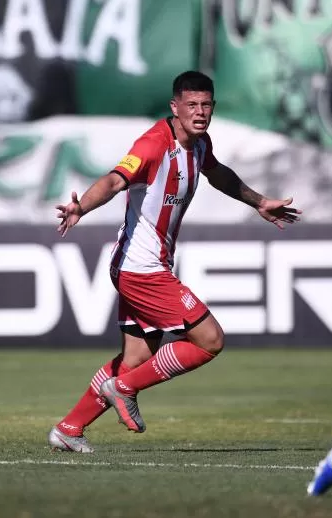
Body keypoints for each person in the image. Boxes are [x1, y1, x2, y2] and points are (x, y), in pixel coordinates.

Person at [46, 70, 300, 453]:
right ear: (175, 107)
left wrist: (259, 201)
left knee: (136, 357)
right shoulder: (153, 145)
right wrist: (81, 207)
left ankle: (69, 428)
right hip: (140, 269)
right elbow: (116, 181)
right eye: (192, 105)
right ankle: (125, 389)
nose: (200, 112)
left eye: (206, 105)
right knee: (209, 339)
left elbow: (219, 176)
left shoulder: (200, 144)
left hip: (147, 265)